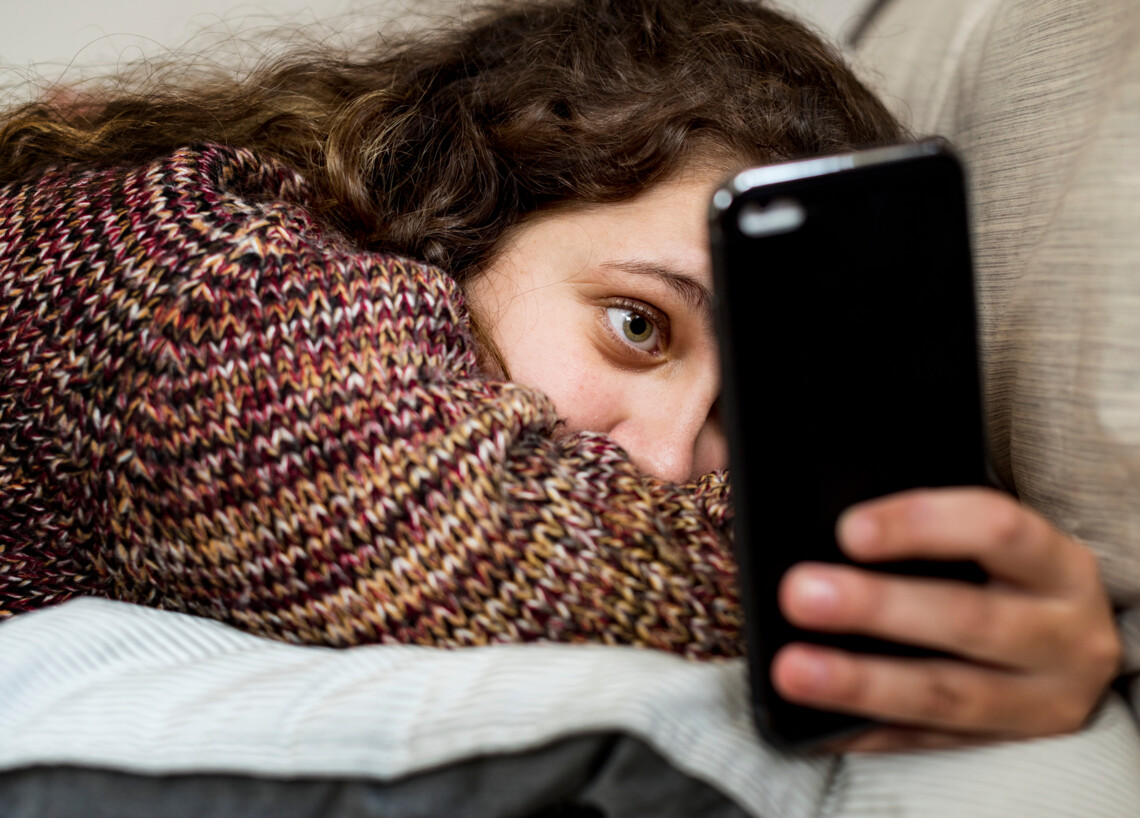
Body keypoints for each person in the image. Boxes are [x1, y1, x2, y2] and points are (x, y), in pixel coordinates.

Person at [0, 0, 1121, 758]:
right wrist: (933, 600)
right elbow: (425, 522)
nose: (674, 455)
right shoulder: (175, 258)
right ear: (462, 207)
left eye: (751, 411)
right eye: (638, 324)